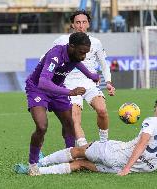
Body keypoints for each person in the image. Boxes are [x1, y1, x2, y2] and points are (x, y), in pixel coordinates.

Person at [16, 98, 157, 176]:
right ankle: (41, 172)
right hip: (137, 168)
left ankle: (37, 165)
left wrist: (126, 167)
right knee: (82, 165)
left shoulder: (153, 121)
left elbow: (142, 144)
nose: (154, 112)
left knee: (80, 151)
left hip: (121, 158)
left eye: (156, 109)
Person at [25, 32, 100, 176]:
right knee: (41, 126)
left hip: (57, 90)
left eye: (86, 53)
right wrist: (70, 92)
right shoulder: (55, 55)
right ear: (71, 46)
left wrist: (91, 75)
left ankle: (70, 157)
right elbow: (43, 82)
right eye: (81, 52)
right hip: (38, 89)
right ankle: (33, 164)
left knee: (69, 124)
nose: (83, 56)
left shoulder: (74, 55)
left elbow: (77, 63)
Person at [52, 10, 115, 147]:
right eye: (78, 22)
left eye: (84, 22)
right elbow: (46, 58)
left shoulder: (96, 42)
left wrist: (108, 82)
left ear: (88, 24)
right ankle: (83, 148)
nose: (81, 25)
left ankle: (104, 144)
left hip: (89, 83)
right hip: (69, 85)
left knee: (102, 111)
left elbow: (104, 64)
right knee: (75, 117)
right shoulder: (62, 40)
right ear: (72, 25)